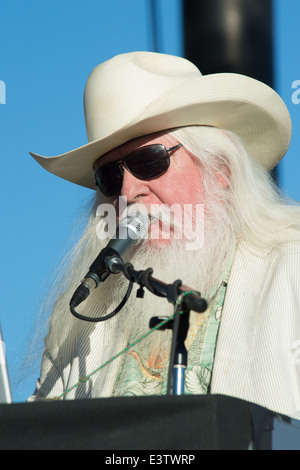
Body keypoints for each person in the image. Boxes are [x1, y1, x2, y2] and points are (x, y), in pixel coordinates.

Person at [28, 51, 300, 419]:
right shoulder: (78, 319)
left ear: (219, 168)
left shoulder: (292, 268)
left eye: (149, 161)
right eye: (110, 176)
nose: (127, 193)